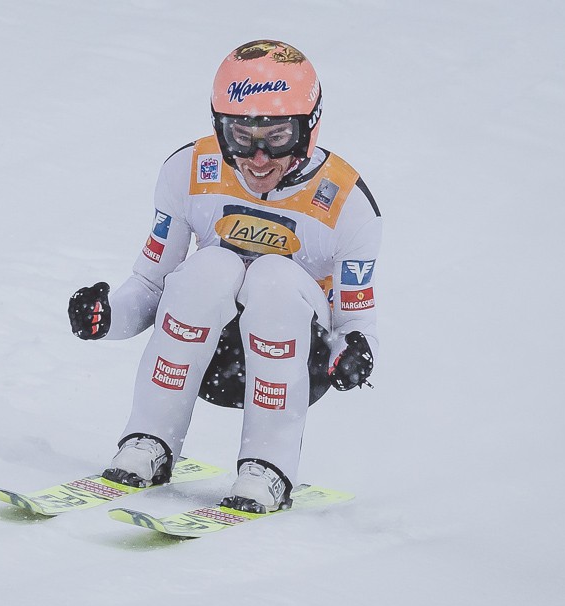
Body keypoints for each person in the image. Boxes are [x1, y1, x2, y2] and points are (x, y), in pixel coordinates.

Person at [67, 40, 382, 513]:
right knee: (212, 266)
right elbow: (152, 285)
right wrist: (107, 316)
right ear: (219, 126)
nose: (258, 158)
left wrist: (352, 356)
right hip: (214, 360)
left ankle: (267, 465)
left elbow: (356, 325)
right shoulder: (190, 170)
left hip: (297, 359)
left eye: (278, 137)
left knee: (274, 276)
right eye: (240, 136)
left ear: (309, 128)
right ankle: (149, 440)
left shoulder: (347, 204)